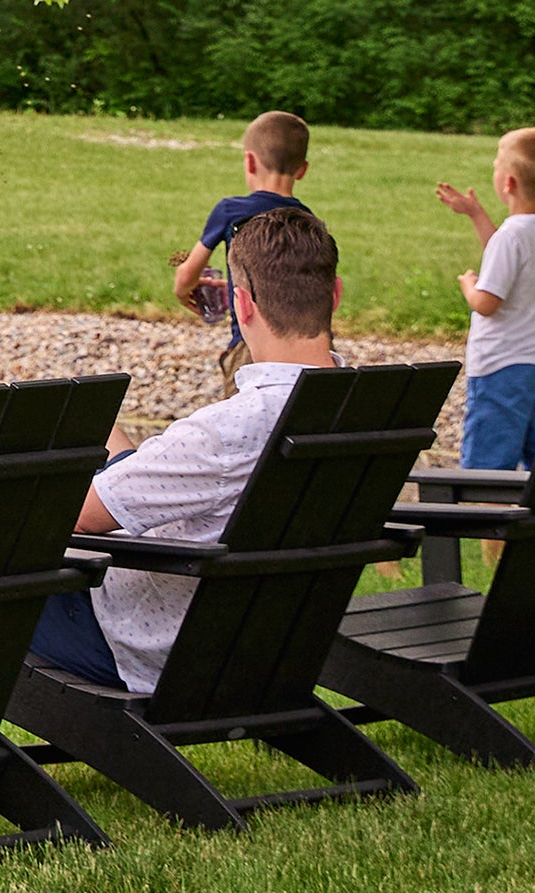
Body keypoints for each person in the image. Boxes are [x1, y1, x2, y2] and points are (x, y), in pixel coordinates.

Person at [28, 208, 344, 694]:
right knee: (108, 441)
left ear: (243, 306)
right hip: (274, 645)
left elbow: (82, 517)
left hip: (156, 650)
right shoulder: (363, 407)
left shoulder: (228, 431)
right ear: (335, 294)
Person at [436, 128, 535, 475]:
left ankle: (491, 531)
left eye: (496, 164)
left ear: (507, 183)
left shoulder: (511, 235)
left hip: (500, 369)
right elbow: (506, 258)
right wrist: (476, 214)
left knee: (488, 475)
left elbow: (487, 303)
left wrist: (469, 286)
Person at [172, 110, 314, 392]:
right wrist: (232, 287)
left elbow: (188, 275)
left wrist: (183, 290)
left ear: (249, 161)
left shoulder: (231, 211)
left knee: (240, 426)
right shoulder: (307, 220)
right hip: (305, 348)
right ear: (303, 169)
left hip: (251, 348)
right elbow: (292, 285)